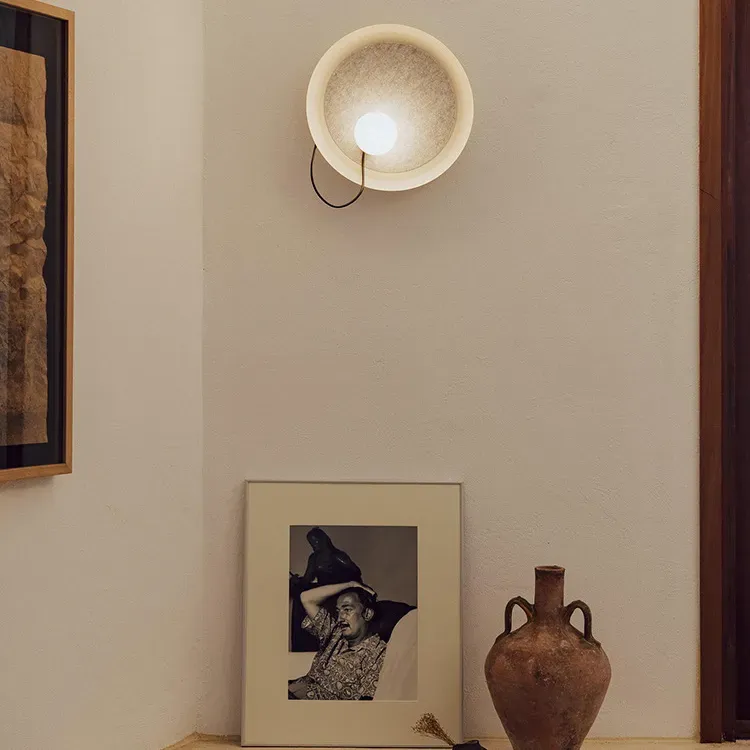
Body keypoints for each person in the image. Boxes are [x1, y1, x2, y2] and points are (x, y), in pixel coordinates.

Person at [288, 581, 387, 700]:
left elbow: (365, 703)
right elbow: (306, 598)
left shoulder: (377, 654)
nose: (340, 618)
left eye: (347, 610)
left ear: (367, 614)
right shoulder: (335, 633)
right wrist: (350, 584)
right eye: (338, 611)